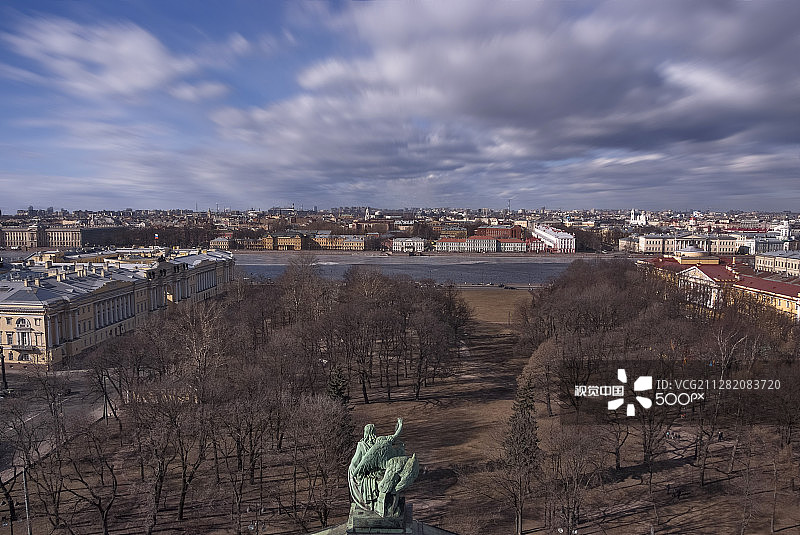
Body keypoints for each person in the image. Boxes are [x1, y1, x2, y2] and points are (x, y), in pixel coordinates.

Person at [348, 418, 403, 511]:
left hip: (372, 474)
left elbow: (354, 462)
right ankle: (385, 504)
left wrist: (353, 472)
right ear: (374, 432)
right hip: (377, 472)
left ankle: (381, 504)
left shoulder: (362, 445)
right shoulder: (379, 441)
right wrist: (400, 426)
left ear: (365, 433)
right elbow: (394, 436)